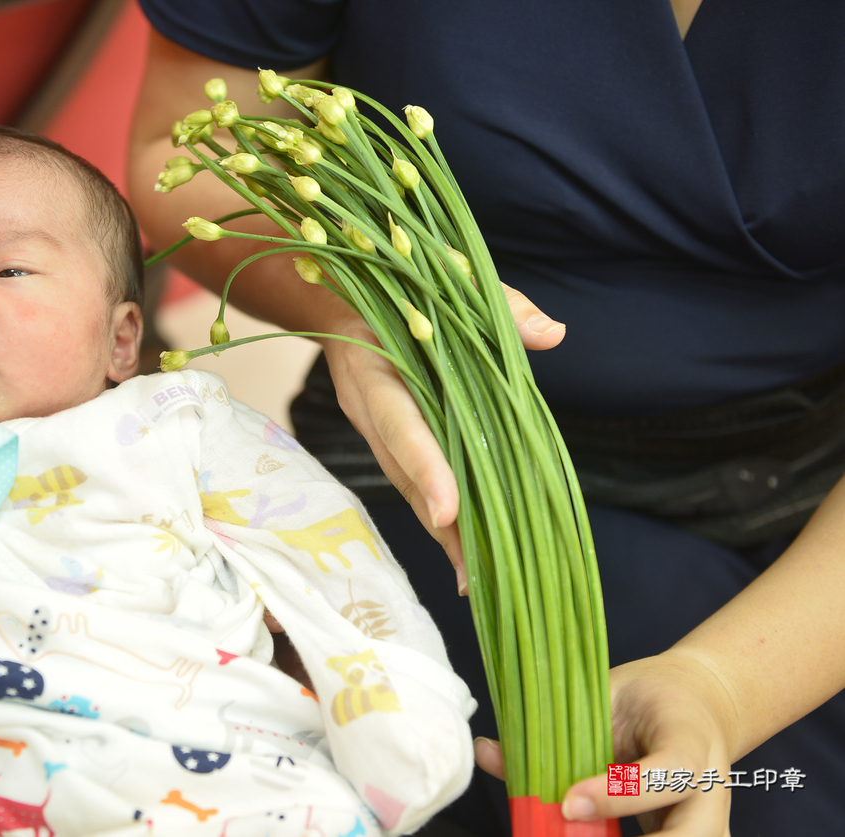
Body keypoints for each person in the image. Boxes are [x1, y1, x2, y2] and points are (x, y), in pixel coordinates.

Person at [124, 2, 845, 835]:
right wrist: (361, 306)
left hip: (800, 513)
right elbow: (187, 143)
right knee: (379, 776)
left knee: (777, 799)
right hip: (434, 465)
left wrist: (722, 689)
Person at [0, 125, 478, 837]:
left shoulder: (166, 423)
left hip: (230, 778)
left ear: (121, 339)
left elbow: (325, 545)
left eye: (10, 271)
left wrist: (404, 718)